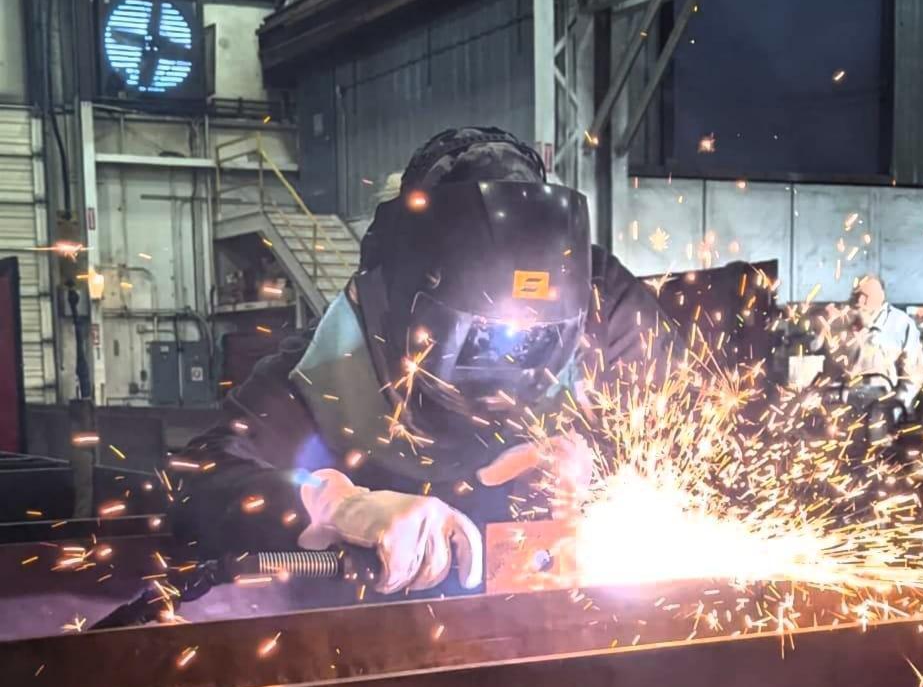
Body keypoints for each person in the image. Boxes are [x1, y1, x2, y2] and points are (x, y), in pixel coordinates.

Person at [173, 127, 676, 593]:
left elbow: (693, 439)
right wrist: (331, 502)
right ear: (401, 297)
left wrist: (603, 471)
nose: (502, 359)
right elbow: (200, 475)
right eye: (481, 336)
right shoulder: (337, 365)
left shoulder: (602, 305)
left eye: (530, 337)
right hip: (396, 617)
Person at [825, 273, 923, 420]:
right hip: (846, 404)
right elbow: (832, 368)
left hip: (883, 404)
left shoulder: (901, 324)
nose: (860, 300)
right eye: (857, 294)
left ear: (880, 297)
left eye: (866, 295)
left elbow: (914, 373)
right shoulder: (841, 323)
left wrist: (899, 404)